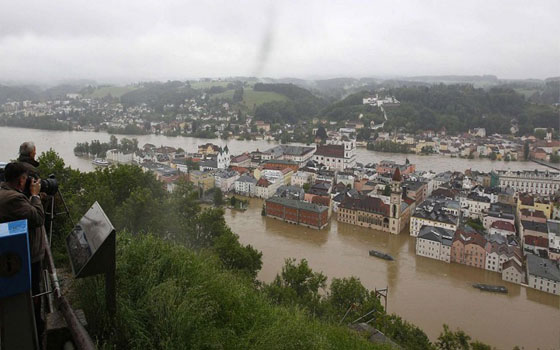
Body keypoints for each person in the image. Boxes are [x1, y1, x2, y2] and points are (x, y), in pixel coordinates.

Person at [0, 162, 46, 337]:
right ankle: (35, 330)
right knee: (33, 293)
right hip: (27, 257)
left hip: (17, 254)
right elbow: (38, 218)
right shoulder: (14, 199)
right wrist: (34, 196)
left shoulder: (7, 193)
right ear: (21, 180)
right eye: (27, 179)